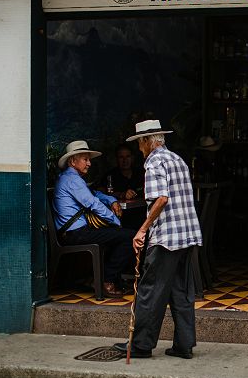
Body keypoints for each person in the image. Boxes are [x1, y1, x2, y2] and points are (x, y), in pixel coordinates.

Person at [113, 119, 202, 359]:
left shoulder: (153, 162)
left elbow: (161, 199)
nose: (139, 149)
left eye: (140, 144)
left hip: (166, 238)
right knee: (181, 292)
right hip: (187, 235)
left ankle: (140, 345)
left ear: (146, 141)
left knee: (149, 290)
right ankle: (184, 345)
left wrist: (142, 229)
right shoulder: (177, 160)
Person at [53, 140, 135, 299]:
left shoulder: (72, 178)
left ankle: (104, 278)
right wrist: (115, 220)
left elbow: (95, 194)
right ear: (72, 161)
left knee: (118, 235)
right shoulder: (72, 179)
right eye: (85, 159)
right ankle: (107, 280)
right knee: (129, 236)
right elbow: (92, 203)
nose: (89, 163)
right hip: (75, 233)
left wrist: (111, 200)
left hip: (76, 232)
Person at [102, 143, 145, 229]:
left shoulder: (140, 173)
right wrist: (121, 194)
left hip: (142, 216)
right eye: (121, 157)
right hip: (121, 218)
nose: (125, 160)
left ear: (132, 158)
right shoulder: (110, 175)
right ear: (116, 159)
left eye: (128, 156)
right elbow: (101, 192)